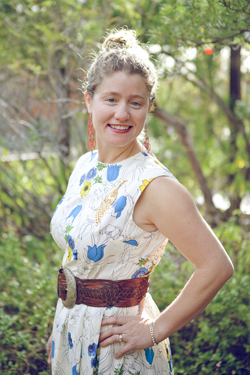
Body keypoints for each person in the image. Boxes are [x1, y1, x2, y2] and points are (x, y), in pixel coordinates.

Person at [46, 29, 233, 375]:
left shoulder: (155, 186)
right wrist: (64, 325)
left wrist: (154, 329)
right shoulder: (85, 166)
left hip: (118, 349)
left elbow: (217, 266)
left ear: (148, 107)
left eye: (135, 102)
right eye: (111, 99)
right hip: (71, 334)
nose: (122, 114)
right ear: (89, 100)